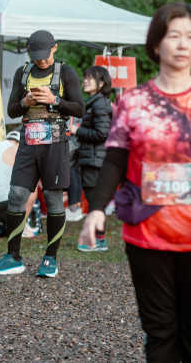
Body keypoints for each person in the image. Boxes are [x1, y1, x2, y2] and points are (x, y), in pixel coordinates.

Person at [79, 1, 191, 360]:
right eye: (173, 35)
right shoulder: (133, 102)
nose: (182, 44)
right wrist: (96, 209)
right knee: (160, 332)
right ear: (156, 43)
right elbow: (115, 160)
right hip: (147, 236)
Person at [0, 30, 84, 277]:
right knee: (16, 194)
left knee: (52, 198)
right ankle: (13, 257)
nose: (41, 60)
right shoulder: (23, 72)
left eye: (45, 55)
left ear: (55, 48)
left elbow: (80, 109)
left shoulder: (66, 72)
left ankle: (50, 258)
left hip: (56, 143)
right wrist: (25, 102)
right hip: (29, 142)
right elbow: (11, 111)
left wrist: (55, 100)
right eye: (36, 56)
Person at [69, 66, 113, 251]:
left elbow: (102, 133)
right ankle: (98, 239)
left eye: (90, 78)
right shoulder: (95, 102)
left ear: (101, 83)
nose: (85, 81)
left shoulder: (100, 104)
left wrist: (77, 131)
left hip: (95, 160)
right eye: (85, 77)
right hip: (91, 158)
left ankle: (99, 241)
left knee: (95, 200)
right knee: (93, 199)